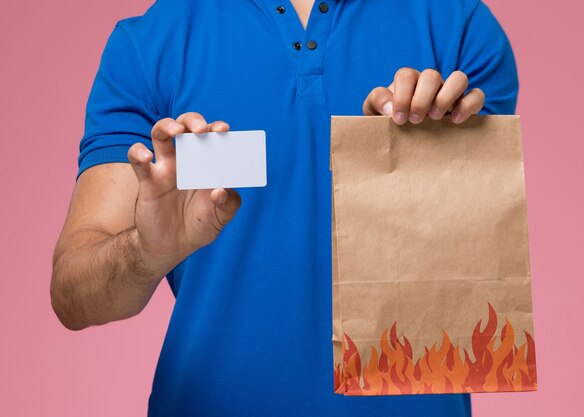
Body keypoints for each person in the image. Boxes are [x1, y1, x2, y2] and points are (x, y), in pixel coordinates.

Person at [51, 0, 518, 415]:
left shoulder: (458, 26)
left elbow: (469, 257)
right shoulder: (148, 43)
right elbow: (73, 295)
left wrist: (414, 152)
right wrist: (144, 252)